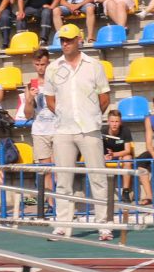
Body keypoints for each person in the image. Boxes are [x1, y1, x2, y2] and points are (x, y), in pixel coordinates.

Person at [42, 23, 112, 240]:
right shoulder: (53, 68)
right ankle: (63, 224)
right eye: (62, 40)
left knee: (98, 178)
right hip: (63, 130)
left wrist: (89, 115)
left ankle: (105, 225)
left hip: (89, 128)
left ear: (79, 40)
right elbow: (50, 99)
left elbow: (104, 97)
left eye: (69, 40)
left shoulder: (94, 65)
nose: (65, 43)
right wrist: (66, 115)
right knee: (63, 179)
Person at [101, 109, 137, 203]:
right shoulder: (102, 131)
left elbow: (128, 150)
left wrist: (114, 155)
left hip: (121, 155)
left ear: (120, 122)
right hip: (107, 156)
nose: (114, 124)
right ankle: (102, 194)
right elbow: (98, 148)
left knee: (128, 159)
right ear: (108, 121)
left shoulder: (125, 131)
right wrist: (105, 155)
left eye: (117, 121)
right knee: (96, 159)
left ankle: (125, 192)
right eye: (112, 121)